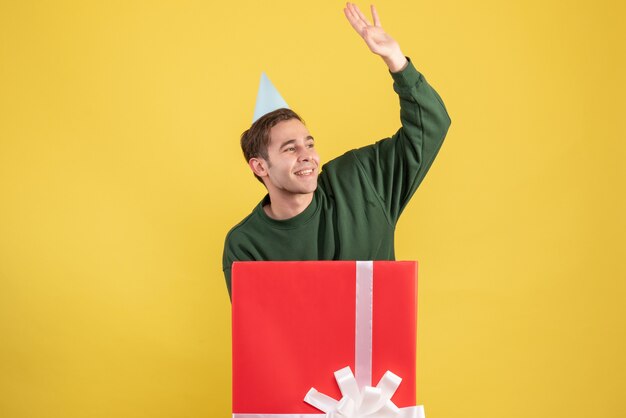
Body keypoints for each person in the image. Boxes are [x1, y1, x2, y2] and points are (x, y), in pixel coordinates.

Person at [222, 3, 451, 297]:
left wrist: (397, 62)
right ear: (260, 167)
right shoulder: (246, 245)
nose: (307, 155)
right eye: (290, 149)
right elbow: (263, 333)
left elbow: (430, 128)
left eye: (309, 143)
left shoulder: (361, 180)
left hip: (378, 343)